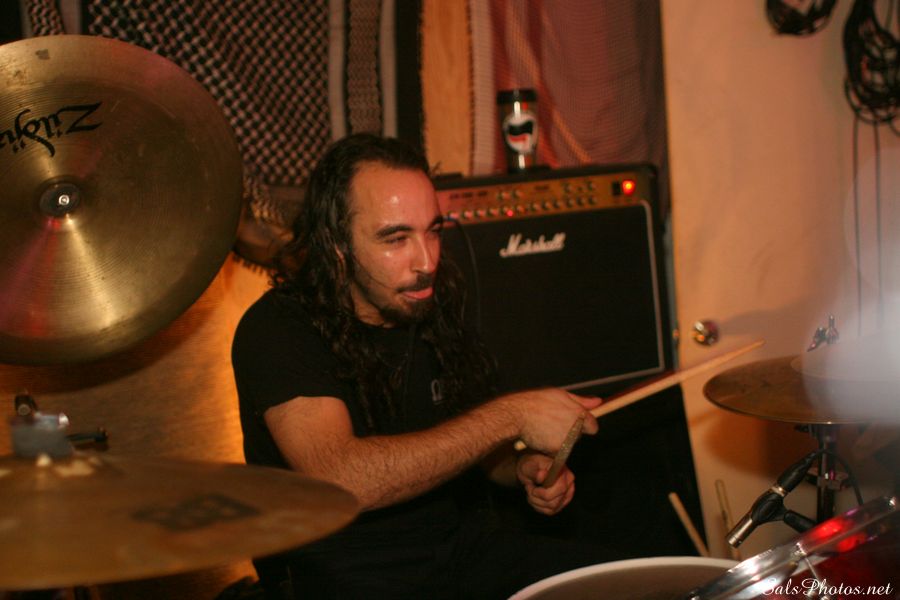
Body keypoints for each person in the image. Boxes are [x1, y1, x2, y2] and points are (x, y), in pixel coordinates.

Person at [232, 133, 622, 599]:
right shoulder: (279, 327)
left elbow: (474, 445)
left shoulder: (431, 305)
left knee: (625, 585)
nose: (427, 261)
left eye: (433, 231)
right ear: (337, 244)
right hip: (341, 574)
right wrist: (512, 416)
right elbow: (340, 478)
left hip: (457, 553)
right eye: (397, 238)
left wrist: (522, 466)